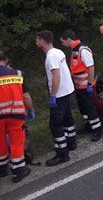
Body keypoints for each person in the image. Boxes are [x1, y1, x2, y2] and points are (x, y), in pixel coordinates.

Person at [35, 30, 76, 166]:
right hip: (67, 89)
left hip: (59, 93)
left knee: (55, 124)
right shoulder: (58, 51)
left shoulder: (51, 56)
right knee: (67, 117)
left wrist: (53, 96)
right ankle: (71, 142)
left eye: (37, 39)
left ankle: (62, 154)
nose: (36, 42)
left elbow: (56, 76)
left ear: (42, 40)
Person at [60, 30, 103, 142]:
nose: (62, 44)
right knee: (83, 108)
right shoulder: (75, 50)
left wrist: (89, 84)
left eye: (63, 41)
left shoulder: (82, 50)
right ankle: (89, 126)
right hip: (79, 86)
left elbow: (91, 67)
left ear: (68, 39)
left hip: (85, 86)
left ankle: (97, 130)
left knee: (90, 108)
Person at [0, 51, 34, 183]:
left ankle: (2, 170)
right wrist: (30, 110)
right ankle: (18, 171)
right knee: (16, 143)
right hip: (16, 115)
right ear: (6, 60)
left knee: (1, 142)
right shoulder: (18, 74)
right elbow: (26, 97)